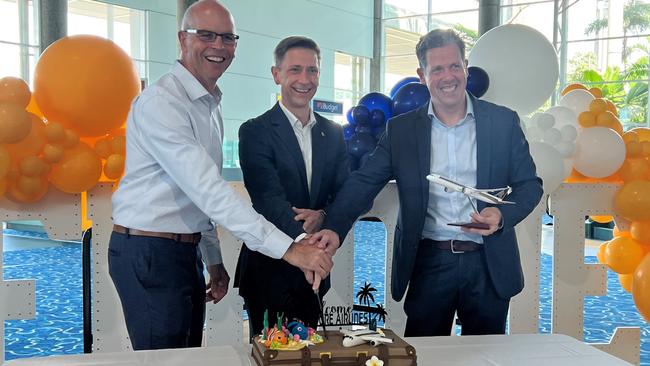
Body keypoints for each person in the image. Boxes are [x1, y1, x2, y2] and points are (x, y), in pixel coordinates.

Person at [108, 0, 334, 350]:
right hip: (149, 251)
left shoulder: (209, 103)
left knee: (186, 355)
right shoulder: (162, 102)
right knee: (164, 360)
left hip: (183, 251)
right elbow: (210, 190)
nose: (219, 46)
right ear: (183, 39)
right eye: (207, 35)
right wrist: (289, 249)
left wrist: (212, 260)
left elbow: (198, 197)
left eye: (228, 37)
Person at [313, 29, 543, 336]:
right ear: (422, 75)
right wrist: (332, 225)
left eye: (454, 66)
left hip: (488, 265)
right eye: (437, 69)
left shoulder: (503, 121)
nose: (448, 76)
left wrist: (501, 216)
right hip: (430, 261)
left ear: (465, 67)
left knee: (487, 355)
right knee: (423, 354)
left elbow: (530, 185)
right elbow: (363, 183)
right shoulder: (401, 130)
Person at [234, 36, 349, 338]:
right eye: (295, 69)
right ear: (277, 74)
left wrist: (324, 214)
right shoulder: (255, 131)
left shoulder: (334, 133)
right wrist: (303, 242)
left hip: (314, 273)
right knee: (272, 354)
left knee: (310, 353)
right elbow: (267, 197)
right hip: (268, 269)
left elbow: (343, 192)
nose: (304, 79)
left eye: (312, 70)